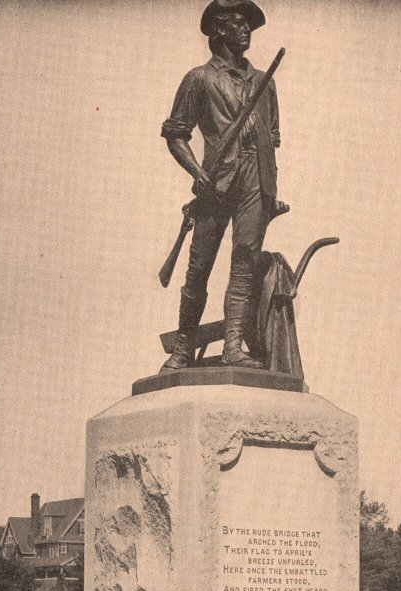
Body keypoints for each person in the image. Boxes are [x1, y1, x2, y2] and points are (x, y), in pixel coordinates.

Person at [160, 0, 287, 371]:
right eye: (237, 23)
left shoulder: (266, 81)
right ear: (218, 31)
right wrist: (197, 172)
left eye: (248, 24)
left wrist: (269, 190)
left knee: (245, 260)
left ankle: (234, 346)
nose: (246, 30)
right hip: (216, 181)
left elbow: (272, 136)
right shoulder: (199, 78)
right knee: (199, 267)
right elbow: (175, 134)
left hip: (255, 180)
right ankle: (183, 348)